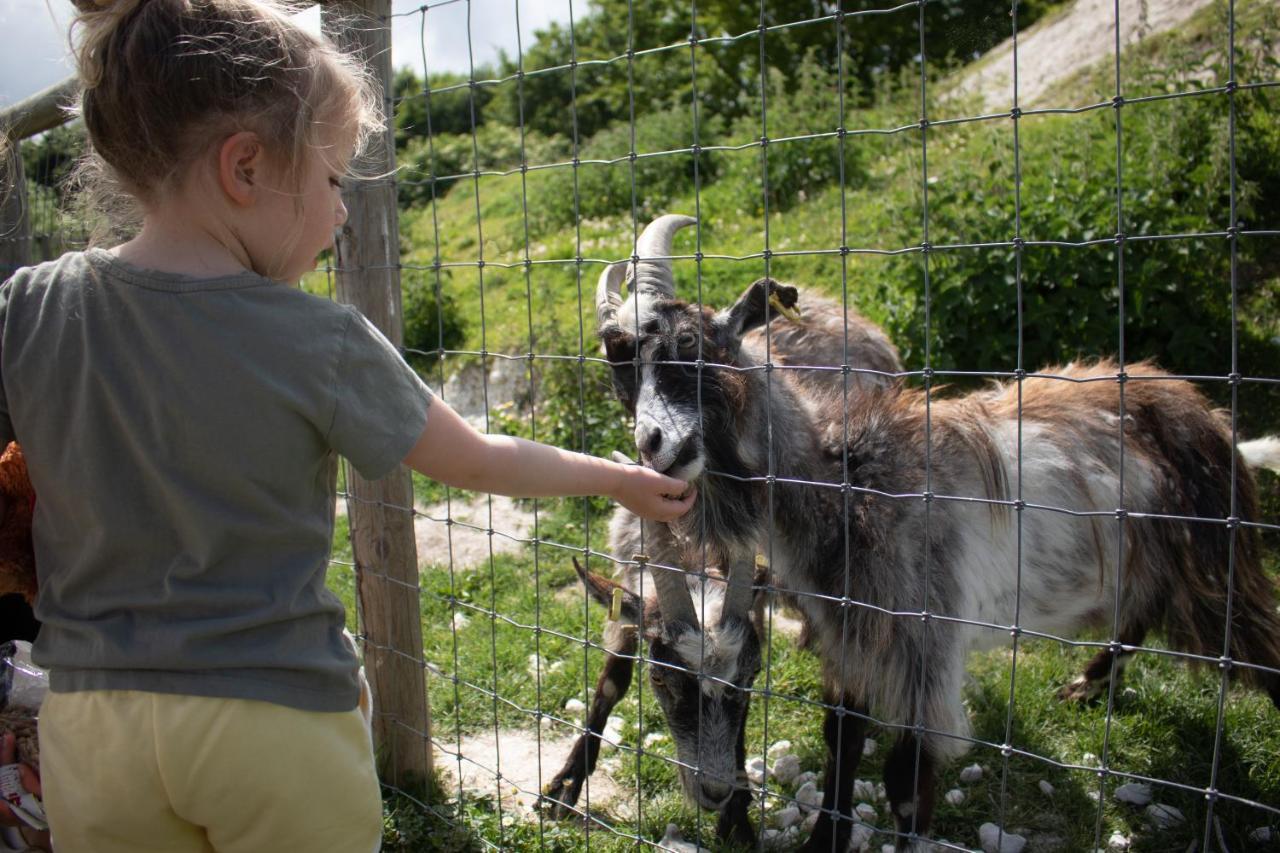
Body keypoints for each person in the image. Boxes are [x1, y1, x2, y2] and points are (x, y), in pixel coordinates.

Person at [0, 0, 694, 850]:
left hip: (89, 726)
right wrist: (620, 477)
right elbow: (474, 459)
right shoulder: (317, 338)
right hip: (269, 719)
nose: (340, 212)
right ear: (245, 167)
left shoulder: (31, 305)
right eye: (332, 180)